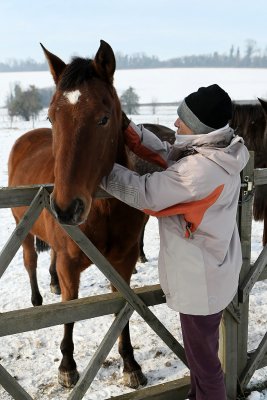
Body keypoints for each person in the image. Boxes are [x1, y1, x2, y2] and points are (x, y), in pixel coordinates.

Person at [100, 84, 249, 400]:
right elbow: (169, 155)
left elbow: (147, 194)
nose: (176, 123)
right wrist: (132, 132)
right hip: (212, 274)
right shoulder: (219, 151)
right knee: (201, 360)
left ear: (199, 127)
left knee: (206, 366)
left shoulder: (200, 171)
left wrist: (99, 170)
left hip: (201, 283)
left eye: (182, 119)